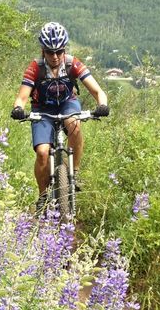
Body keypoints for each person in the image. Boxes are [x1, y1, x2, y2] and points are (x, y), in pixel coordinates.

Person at [11, 21, 109, 211]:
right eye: (49, 52)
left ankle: (75, 172)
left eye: (59, 51)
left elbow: (98, 91)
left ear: (64, 49)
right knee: (42, 153)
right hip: (42, 108)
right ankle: (42, 195)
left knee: (74, 122)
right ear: (43, 51)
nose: (55, 56)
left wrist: (102, 105)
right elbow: (22, 96)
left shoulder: (73, 64)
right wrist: (18, 109)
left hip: (67, 103)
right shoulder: (35, 68)